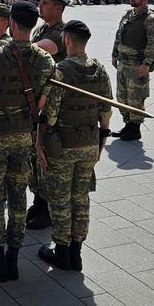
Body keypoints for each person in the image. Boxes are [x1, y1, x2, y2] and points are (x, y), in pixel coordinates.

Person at [0, 1, 55, 282]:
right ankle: (14, 259)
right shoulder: (45, 60)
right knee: (19, 197)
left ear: (12, 24)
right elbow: (45, 99)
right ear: (32, 26)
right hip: (24, 138)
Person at [36, 20, 113, 271]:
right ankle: (76, 251)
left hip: (63, 145)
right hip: (89, 142)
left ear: (67, 40)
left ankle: (62, 251)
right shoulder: (99, 69)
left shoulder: (61, 71)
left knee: (60, 198)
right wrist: (101, 141)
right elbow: (105, 110)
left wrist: (39, 142)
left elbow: (51, 114)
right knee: (80, 198)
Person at [26, 0, 69, 230]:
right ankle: (39, 201)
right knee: (36, 155)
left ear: (59, 7)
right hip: (39, 100)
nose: (39, 6)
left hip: (54, 105)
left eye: (44, 3)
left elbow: (35, 51)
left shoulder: (59, 33)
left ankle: (49, 209)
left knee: (47, 157)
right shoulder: (44, 28)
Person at [111, 0, 154, 140]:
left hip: (137, 64)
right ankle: (128, 125)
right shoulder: (128, 15)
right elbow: (118, 36)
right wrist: (114, 54)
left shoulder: (151, 19)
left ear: (145, 0)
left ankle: (135, 128)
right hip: (123, 62)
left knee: (136, 98)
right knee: (122, 97)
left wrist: (146, 64)